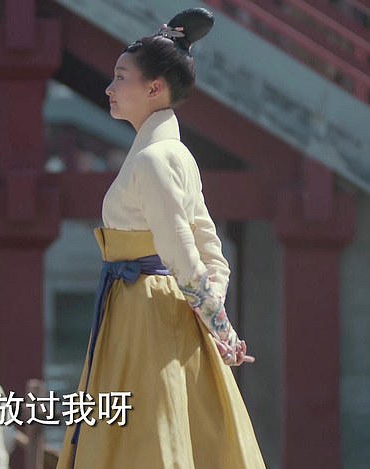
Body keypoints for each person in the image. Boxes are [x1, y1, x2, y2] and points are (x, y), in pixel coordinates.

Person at [56, 8, 266, 469]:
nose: (109, 88)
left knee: (149, 438)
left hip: (145, 313)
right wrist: (214, 317)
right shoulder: (173, 153)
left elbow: (183, 252)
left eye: (120, 77)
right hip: (154, 305)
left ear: (154, 88)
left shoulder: (154, 159)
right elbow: (210, 250)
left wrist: (220, 328)